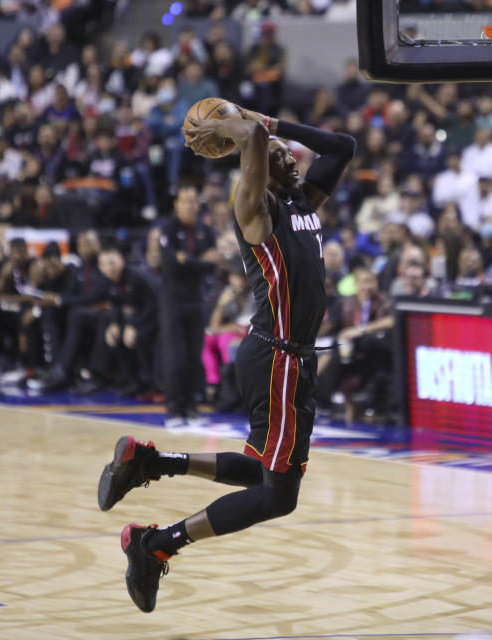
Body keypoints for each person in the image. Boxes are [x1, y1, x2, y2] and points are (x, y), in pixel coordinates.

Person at [97, 103, 355, 612]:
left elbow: (341, 147)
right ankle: (156, 544)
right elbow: (255, 139)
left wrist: (277, 127)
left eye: (289, 156)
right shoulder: (256, 209)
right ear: (257, 167)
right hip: (278, 359)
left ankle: (151, 462)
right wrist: (244, 130)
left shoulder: (304, 203)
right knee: (278, 496)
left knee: (263, 470)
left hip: (291, 360)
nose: (293, 161)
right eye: (281, 157)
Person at [158, 185, 218, 428]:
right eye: (186, 201)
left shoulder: (207, 231)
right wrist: (197, 262)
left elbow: (213, 264)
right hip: (172, 300)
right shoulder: (168, 229)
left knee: (194, 355)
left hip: (196, 299)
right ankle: (174, 407)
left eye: (194, 201)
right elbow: (170, 263)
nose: (191, 205)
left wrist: (188, 261)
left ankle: (191, 407)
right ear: (177, 205)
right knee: (176, 356)